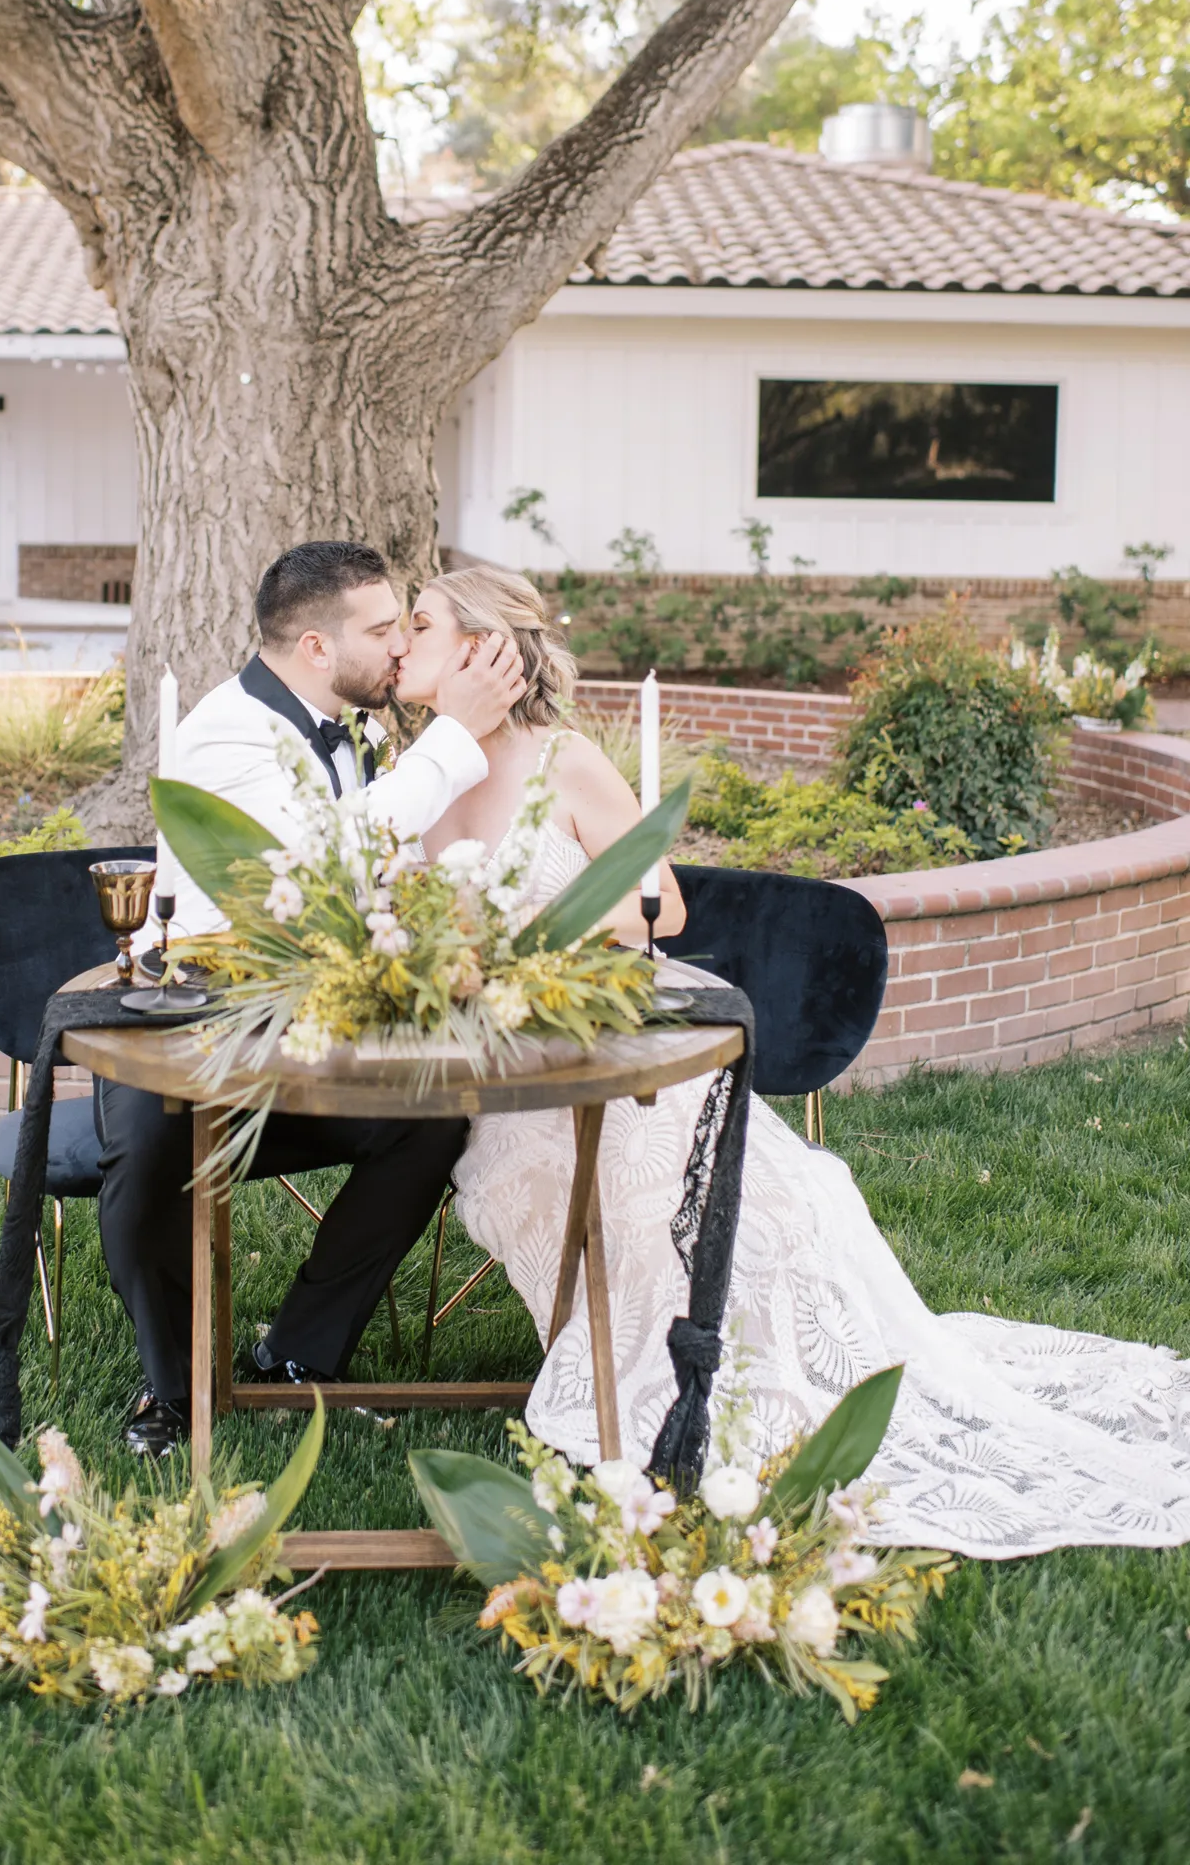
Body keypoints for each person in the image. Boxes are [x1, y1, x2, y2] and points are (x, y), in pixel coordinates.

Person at [395, 564, 1190, 1558]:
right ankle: (619, 1358)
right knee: (540, 1179)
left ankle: (689, 1385)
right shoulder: (419, 778)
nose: (397, 641)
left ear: (480, 648)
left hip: (601, 1038)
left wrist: (540, 937)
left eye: (418, 623)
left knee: (675, 1199)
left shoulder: (563, 763)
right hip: (500, 1072)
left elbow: (663, 910)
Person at [98, 539, 526, 1458]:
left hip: (309, 1032)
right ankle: (174, 1388)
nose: (399, 646)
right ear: (319, 650)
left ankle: (299, 1354)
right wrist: (452, 737)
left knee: (429, 1118)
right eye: (382, 629)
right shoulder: (226, 735)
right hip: (200, 1033)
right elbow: (318, 858)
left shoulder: (348, 724)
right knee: (147, 1162)